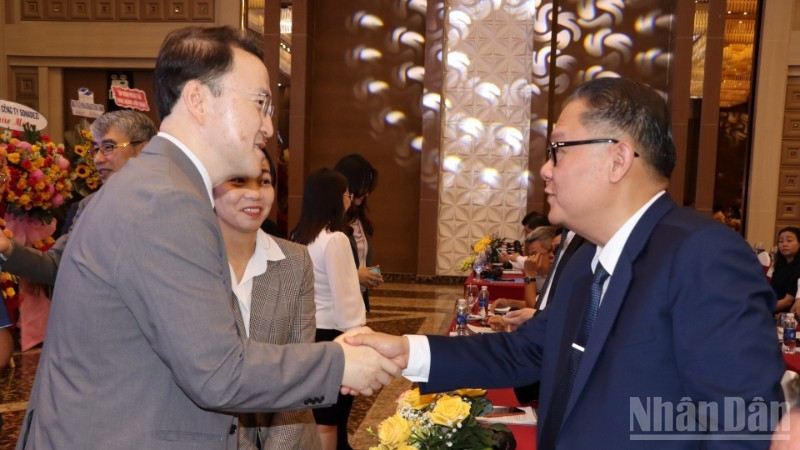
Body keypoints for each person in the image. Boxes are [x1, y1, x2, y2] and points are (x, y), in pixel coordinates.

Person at [348, 77, 784, 448]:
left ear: (617, 159)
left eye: (558, 149)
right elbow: (524, 350)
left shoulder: (703, 255)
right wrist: (407, 350)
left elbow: (739, 423)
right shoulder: (585, 262)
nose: (545, 169)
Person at [18, 26, 398, 449]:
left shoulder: (158, 186)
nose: (269, 127)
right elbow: (217, 371)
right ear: (198, 100)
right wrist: (338, 364)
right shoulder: (166, 201)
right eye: (260, 104)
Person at [214, 152, 321, 449]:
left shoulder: (295, 261)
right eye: (238, 180)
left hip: (292, 438)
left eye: (264, 181)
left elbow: (301, 368)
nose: (255, 193)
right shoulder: (188, 263)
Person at [0, 110, 157, 285]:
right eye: (96, 149)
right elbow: (59, 265)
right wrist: (8, 248)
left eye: (108, 147)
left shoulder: (167, 204)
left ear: (143, 150)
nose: (97, 159)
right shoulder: (89, 205)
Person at [291, 168, 367, 450]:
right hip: (334, 335)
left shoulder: (300, 234)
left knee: (317, 414)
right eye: (347, 193)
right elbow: (347, 298)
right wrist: (360, 339)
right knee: (331, 420)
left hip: (308, 332)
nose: (349, 198)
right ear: (336, 198)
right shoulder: (335, 238)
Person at [334, 154, 382, 312]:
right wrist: (356, 275)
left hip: (356, 300)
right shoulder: (330, 222)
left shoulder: (358, 218)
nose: (367, 193)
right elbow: (324, 271)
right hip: (338, 305)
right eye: (364, 187)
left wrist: (367, 274)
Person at [489, 225, 556, 314]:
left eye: (534, 254)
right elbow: (539, 304)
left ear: (551, 254)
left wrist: (529, 274)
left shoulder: (559, 275)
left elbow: (534, 309)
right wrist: (509, 303)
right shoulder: (545, 273)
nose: (530, 259)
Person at [768, 226, 800, 313]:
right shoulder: (779, 265)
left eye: (789, 240)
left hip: (787, 315)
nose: (784, 244)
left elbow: (788, 302)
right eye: (781, 241)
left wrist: (763, 309)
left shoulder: (798, 268)